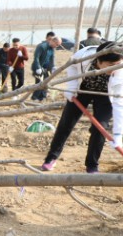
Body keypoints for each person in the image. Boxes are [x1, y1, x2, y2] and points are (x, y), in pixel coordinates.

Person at [41, 41, 121, 174]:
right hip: (82, 89)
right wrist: (71, 87)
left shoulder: (120, 72)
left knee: (100, 128)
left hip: (106, 94)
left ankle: (92, 165)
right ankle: (51, 158)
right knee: (66, 123)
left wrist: (118, 134)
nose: (115, 69)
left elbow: (119, 104)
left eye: (117, 65)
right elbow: (71, 66)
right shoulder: (84, 57)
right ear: (99, 61)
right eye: (110, 65)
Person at [31, 34, 62, 101]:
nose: (57, 46)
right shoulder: (42, 46)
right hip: (38, 68)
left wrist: (53, 67)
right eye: (57, 44)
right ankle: (35, 97)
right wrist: (38, 67)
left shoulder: (52, 49)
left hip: (46, 68)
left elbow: (52, 58)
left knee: (46, 82)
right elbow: (36, 58)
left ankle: (42, 97)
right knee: (39, 83)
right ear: (53, 41)